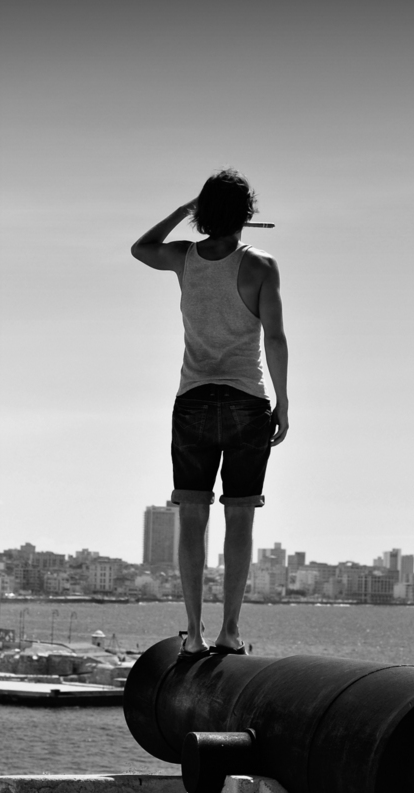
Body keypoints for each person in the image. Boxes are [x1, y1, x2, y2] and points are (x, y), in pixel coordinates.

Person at [131, 169, 289, 660]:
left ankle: (194, 634)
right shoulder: (261, 264)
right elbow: (275, 337)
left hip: (194, 400)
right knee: (239, 519)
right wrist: (283, 402)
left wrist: (185, 210)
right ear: (246, 214)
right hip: (246, 401)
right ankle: (229, 632)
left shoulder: (184, 257)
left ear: (202, 214)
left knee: (193, 517)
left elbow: (141, 248)